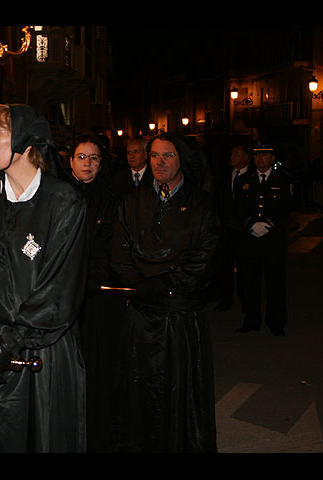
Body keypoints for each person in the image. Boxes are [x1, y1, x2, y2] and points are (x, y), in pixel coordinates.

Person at [0, 104, 88, 453]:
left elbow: (59, 290)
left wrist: (7, 345)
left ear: (26, 141)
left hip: (38, 356)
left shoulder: (63, 202)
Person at [109, 132, 220, 452]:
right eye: (154, 155)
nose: (159, 162)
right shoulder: (131, 200)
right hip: (142, 313)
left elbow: (205, 255)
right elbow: (119, 251)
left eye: (167, 155)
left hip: (180, 317)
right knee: (142, 391)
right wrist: (142, 285)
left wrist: (167, 285)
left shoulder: (201, 202)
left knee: (179, 391)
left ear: (182, 159)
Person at [65, 133, 125, 452]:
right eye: (82, 157)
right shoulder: (58, 195)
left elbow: (112, 248)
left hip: (97, 294)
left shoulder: (111, 197)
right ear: (70, 160)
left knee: (99, 366)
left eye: (94, 158)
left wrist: (91, 278)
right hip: (64, 294)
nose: (87, 164)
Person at [233, 144, 293, 336]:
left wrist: (269, 223)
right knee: (250, 280)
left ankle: (276, 322)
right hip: (250, 239)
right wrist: (250, 224)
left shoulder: (283, 180)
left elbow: (287, 207)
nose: (260, 159)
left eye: (265, 155)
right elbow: (238, 207)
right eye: (257, 155)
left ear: (272, 157)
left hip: (273, 238)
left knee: (275, 282)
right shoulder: (244, 179)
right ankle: (251, 320)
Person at [210, 144, 251, 311]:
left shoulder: (252, 176)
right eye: (231, 153)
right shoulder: (225, 177)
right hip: (226, 229)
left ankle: (246, 301)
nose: (231, 156)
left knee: (245, 268)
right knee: (224, 266)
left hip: (244, 231)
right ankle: (225, 299)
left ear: (245, 157)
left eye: (236, 154)